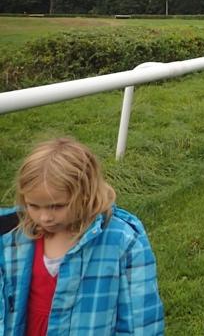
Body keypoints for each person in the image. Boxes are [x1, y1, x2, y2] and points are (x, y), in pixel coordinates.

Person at [0, 137, 165, 334]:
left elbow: (141, 320)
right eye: (33, 206)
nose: (45, 217)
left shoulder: (123, 241)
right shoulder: (11, 236)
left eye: (57, 206)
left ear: (85, 194)